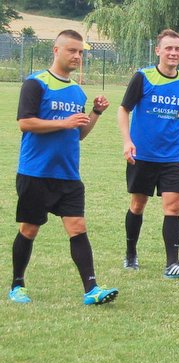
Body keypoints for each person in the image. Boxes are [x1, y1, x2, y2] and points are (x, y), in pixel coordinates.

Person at [9, 29, 117, 305]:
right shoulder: (36, 83)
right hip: (36, 172)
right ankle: (17, 285)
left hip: (68, 174)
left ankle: (91, 289)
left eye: (80, 52)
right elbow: (25, 123)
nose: (77, 56)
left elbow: (78, 134)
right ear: (56, 50)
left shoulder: (77, 91)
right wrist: (64, 122)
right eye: (72, 50)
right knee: (29, 229)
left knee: (78, 227)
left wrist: (95, 113)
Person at [117, 29, 179, 279]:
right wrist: (127, 141)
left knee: (173, 207)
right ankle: (131, 253)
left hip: (173, 158)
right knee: (138, 204)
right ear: (158, 51)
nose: (173, 53)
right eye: (169, 48)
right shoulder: (143, 77)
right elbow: (123, 110)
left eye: (177, 49)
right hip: (142, 156)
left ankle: (172, 264)